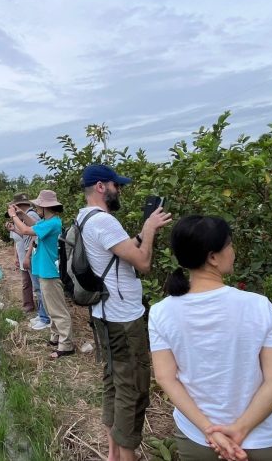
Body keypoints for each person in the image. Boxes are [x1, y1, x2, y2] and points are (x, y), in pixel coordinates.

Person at [148, 215, 272, 461]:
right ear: (213, 257)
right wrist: (240, 429)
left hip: (199, 440)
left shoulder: (161, 311)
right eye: (230, 245)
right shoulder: (259, 307)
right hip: (260, 440)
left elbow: (165, 377)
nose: (233, 252)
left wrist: (208, 430)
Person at [77, 164, 172, 461]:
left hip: (103, 314)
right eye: (117, 185)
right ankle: (126, 455)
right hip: (122, 319)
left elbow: (121, 251)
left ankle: (113, 454)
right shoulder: (104, 221)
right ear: (102, 187)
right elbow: (142, 263)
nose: (120, 190)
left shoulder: (83, 217)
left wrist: (140, 234)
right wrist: (150, 230)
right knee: (132, 389)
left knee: (113, 383)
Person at [8, 189, 74, 358]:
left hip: (50, 272)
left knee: (57, 309)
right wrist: (22, 213)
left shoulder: (52, 224)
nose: (36, 208)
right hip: (44, 270)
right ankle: (55, 336)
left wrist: (14, 216)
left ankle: (66, 344)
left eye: (38, 206)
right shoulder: (49, 222)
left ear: (45, 207)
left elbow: (25, 231)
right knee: (51, 308)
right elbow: (34, 225)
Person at [4, 192, 40, 314]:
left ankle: (43, 316)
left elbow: (35, 237)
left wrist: (27, 256)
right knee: (32, 284)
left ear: (16, 206)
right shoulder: (25, 217)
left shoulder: (31, 215)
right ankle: (38, 312)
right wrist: (13, 229)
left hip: (31, 254)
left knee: (37, 286)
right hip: (26, 254)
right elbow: (26, 235)